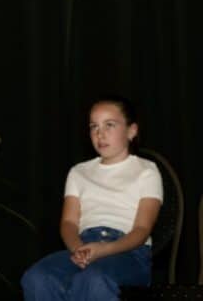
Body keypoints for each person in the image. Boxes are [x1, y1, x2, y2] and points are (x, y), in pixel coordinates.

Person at [21, 96, 162, 300]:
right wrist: (79, 249)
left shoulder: (147, 171)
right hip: (84, 245)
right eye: (93, 126)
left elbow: (142, 229)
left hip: (128, 252)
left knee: (92, 279)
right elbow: (69, 222)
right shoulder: (79, 172)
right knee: (37, 277)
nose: (99, 134)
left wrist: (105, 249)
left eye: (109, 125)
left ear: (131, 131)